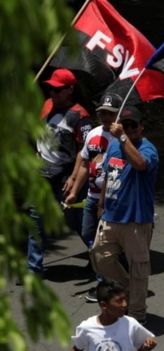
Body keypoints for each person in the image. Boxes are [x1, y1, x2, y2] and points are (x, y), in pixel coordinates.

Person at [91, 106, 159, 325]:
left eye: (133, 126)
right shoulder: (113, 146)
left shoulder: (148, 149)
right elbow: (109, 175)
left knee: (139, 268)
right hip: (111, 216)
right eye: (125, 125)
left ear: (141, 127)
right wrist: (101, 205)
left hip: (136, 220)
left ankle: (137, 315)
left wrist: (122, 137)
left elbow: (139, 164)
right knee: (100, 257)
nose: (129, 129)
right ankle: (128, 289)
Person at [29, 68, 92, 276]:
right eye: (51, 89)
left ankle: (100, 262)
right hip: (42, 174)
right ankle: (33, 269)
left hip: (66, 176)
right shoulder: (47, 105)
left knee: (81, 223)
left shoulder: (80, 116)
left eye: (58, 90)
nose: (53, 94)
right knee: (36, 221)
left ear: (70, 90)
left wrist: (75, 180)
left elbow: (87, 153)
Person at [65, 93, 119, 302]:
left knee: (104, 243)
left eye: (110, 113)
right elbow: (85, 165)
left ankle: (106, 283)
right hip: (91, 196)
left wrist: (106, 201)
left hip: (111, 200)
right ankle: (107, 278)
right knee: (89, 236)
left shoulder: (120, 137)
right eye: (102, 113)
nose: (106, 117)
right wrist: (73, 191)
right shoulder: (93, 134)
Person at [71, 279, 157, 351]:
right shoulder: (86, 328)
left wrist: (147, 346)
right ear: (104, 305)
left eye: (125, 299)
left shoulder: (130, 323)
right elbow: (77, 348)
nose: (125, 304)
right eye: (119, 301)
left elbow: (146, 342)